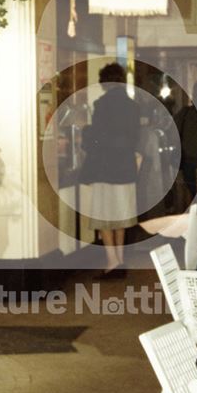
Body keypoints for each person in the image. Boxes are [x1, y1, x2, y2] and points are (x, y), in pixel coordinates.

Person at [80, 62, 141, 275]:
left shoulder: (102, 104)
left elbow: (96, 138)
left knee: (104, 217)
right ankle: (120, 259)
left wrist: (85, 131)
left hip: (105, 169)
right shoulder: (133, 106)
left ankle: (111, 260)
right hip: (125, 169)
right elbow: (135, 138)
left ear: (104, 81)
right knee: (121, 218)